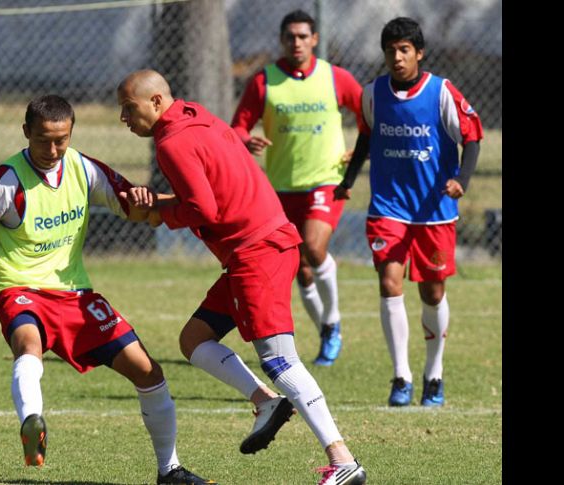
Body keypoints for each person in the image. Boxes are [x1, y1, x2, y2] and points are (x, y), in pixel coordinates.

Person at [0, 94, 215, 485]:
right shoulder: (7, 180)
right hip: (20, 290)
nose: (53, 150)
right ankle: (32, 420)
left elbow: (135, 210)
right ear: (26, 133)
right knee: (28, 346)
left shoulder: (83, 169)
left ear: (71, 134)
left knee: (149, 373)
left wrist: (150, 200)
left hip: (76, 295)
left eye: (61, 140)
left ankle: (169, 470)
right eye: (43, 140)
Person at [117, 70, 366, 485]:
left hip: (258, 251)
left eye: (129, 108)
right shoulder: (195, 114)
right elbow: (210, 195)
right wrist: (163, 204)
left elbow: (204, 210)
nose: (123, 118)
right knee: (194, 340)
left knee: (280, 360)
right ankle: (265, 402)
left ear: (157, 102)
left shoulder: (171, 143)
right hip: (258, 247)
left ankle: (343, 460)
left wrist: (161, 213)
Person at [334, 17, 483, 407]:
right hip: (388, 207)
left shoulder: (441, 93)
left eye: (404, 50)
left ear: (419, 53)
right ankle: (401, 377)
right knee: (389, 283)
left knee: (432, 293)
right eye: (390, 51)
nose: (397, 58)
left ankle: (434, 374)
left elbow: (472, 137)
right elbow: (366, 138)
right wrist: (348, 181)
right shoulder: (374, 93)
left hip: (434, 210)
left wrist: (461, 181)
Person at [231, 9, 364, 366]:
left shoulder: (335, 78)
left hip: (325, 181)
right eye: (290, 36)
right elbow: (238, 127)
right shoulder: (264, 81)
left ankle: (332, 322)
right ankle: (325, 328)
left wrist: (360, 151)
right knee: (300, 268)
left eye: (303, 36)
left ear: (315, 40)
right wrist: (249, 141)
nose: (297, 42)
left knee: (315, 249)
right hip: (280, 188)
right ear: (282, 40)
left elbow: (368, 114)